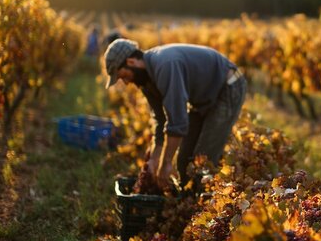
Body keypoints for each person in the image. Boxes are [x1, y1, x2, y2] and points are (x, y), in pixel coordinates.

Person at [103, 38, 247, 189]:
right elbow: (161, 120)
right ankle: (186, 203)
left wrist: (165, 164)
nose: (125, 82)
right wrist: (154, 160)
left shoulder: (165, 65)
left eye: (123, 76)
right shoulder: (145, 82)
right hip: (202, 98)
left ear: (131, 62)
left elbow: (178, 122)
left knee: (203, 161)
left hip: (227, 87)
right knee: (183, 160)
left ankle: (202, 206)